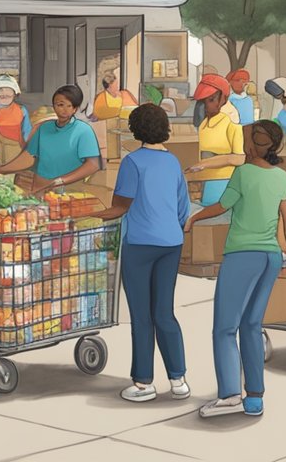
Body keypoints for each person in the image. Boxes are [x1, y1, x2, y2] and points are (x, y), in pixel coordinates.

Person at [187, 120, 286, 418]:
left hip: (242, 255)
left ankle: (230, 395)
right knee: (251, 325)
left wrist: (193, 219)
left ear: (253, 145)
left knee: (224, 328)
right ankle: (255, 397)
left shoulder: (243, 173)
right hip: (270, 258)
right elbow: (285, 217)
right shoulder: (282, 177)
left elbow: (222, 205)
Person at [89, 104, 191, 403]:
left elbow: (120, 207)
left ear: (134, 130)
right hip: (170, 242)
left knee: (141, 316)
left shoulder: (132, 162)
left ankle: (144, 383)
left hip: (140, 245)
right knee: (164, 313)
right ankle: (179, 379)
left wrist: (90, 215)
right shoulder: (173, 162)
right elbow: (183, 208)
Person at [0, 85, 102, 194]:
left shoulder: (83, 131)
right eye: (60, 105)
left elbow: (93, 165)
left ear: (75, 108)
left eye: (69, 106)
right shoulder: (44, 128)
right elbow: (29, 157)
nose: (64, 110)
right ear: (54, 105)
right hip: (40, 190)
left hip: (69, 192)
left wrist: (61, 180)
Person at [188, 75, 245, 207]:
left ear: (223, 99)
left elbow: (239, 158)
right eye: (202, 101)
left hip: (224, 182)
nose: (205, 105)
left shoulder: (231, 125)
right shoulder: (203, 126)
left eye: (211, 99)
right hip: (203, 182)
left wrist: (205, 163)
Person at [0, 75, 32, 162]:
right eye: (0, 90)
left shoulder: (21, 111)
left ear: (14, 93)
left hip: (15, 153)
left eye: (8, 90)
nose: (4, 94)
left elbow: (27, 134)